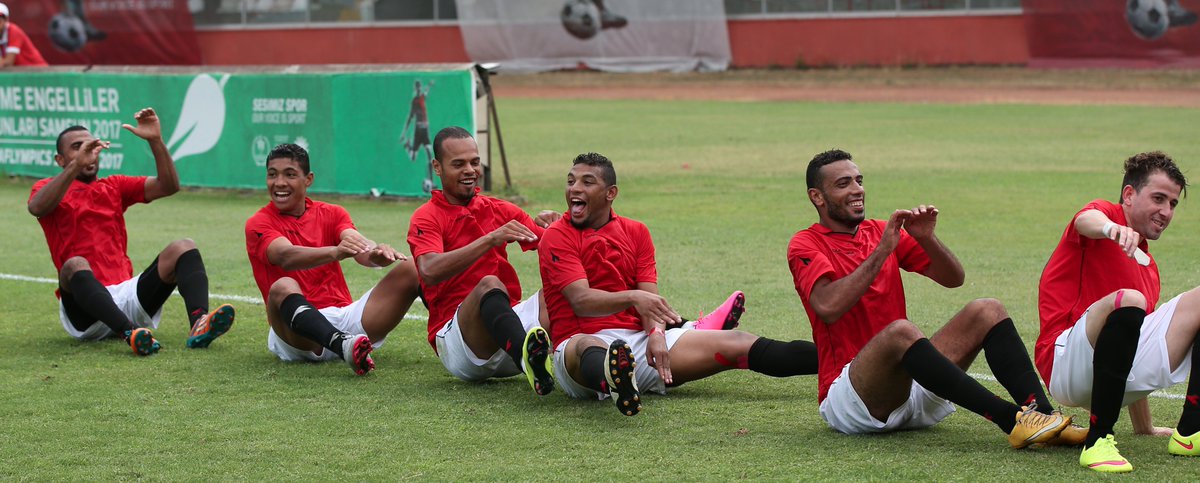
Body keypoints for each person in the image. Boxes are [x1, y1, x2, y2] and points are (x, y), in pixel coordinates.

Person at [788, 149, 1082, 447]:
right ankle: (1011, 420)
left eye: (858, 180)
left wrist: (927, 239)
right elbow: (827, 307)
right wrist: (882, 251)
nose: (857, 190)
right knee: (900, 331)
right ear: (817, 197)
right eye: (843, 184)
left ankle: (1045, 419)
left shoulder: (878, 231)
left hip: (910, 390)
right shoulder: (806, 244)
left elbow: (953, 279)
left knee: (988, 310)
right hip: (854, 402)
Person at [540, 152, 818, 416]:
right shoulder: (557, 235)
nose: (574, 188)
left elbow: (651, 301)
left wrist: (657, 336)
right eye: (570, 181)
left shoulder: (636, 231)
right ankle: (615, 381)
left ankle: (838, 359)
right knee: (589, 345)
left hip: (637, 344)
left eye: (587, 182)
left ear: (610, 193)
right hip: (576, 354)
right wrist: (633, 297)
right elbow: (581, 300)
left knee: (738, 342)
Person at [1037, 151, 1200, 472]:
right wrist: (1112, 229)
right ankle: (1098, 441)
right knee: (1130, 301)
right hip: (1064, 364)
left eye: (1173, 204)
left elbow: (1128, 344)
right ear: (1129, 195)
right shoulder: (1103, 216)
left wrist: (1145, 428)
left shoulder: (1147, 267)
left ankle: (1191, 431)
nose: (1166, 211)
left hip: (1113, 378)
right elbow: (1087, 220)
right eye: (1158, 198)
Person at [28, 108, 233, 355]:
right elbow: (36, 207)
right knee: (73, 265)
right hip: (85, 312)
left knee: (184, 246)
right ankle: (129, 333)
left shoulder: (113, 186)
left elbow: (168, 186)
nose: (86, 152)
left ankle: (199, 324)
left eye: (90, 146)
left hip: (126, 296)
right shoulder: (47, 188)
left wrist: (155, 141)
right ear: (60, 160)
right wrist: (74, 168)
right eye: (76, 147)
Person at [407, 126, 560, 395]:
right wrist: (490, 239)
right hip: (461, 346)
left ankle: (590, 358)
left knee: (564, 288)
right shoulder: (426, 216)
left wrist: (561, 225)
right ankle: (530, 360)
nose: (470, 170)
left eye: (474, 162)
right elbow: (428, 270)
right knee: (489, 283)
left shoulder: (499, 209)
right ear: (437, 167)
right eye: (458, 164)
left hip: (507, 333)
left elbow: (553, 245)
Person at [245, 143, 421, 375]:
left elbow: (357, 244)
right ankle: (342, 344)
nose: (279, 183)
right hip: (297, 335)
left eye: (289, 174)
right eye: (272, 175)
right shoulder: (258, 223)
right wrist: (336, 251)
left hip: (344, 320)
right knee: (282, 286)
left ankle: (450, 331)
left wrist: (377, 254)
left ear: (308, 179)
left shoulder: (332, 212)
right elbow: (285, 256)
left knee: (414, 267)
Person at [400, 80, 435, 193]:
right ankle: (407, 146)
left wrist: (430, 85)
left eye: (420, 87)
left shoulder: (422, 97)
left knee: (430, 154)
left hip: (425, 130)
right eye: (418, 87)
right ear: (416, 88)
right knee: (413, 157)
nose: (420, 89)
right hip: (418, 131)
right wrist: (404, 134)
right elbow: (410, 117)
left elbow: (426, 91)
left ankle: (431, 180)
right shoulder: (415, 101)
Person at [0, 3, 49, 68]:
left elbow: (8, 62)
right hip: (20, 74)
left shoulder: (13, 31)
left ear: (6, 20)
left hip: (39, 73)